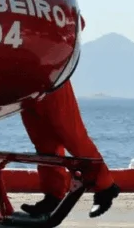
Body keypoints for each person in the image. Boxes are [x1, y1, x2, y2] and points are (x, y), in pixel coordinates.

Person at [20, 79, 121, 219]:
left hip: (50, 74)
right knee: (43, 140)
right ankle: (53, 196)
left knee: (71, 134)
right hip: (23, 82)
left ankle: (106, 187)